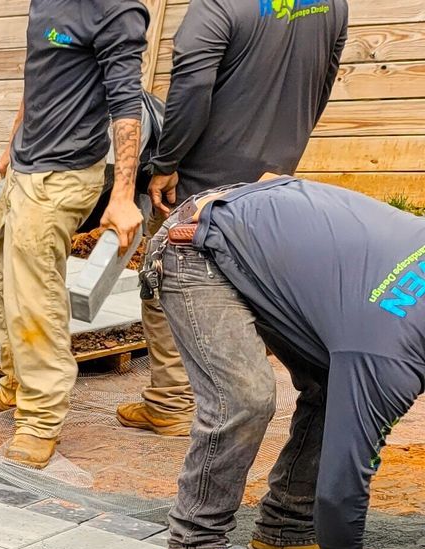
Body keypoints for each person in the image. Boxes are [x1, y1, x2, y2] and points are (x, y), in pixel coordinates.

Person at [143, 175, 417, 549]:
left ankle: (284, 534)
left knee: (333, 385)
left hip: (272, 233)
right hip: (199, 245)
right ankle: (194, 540)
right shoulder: (388, 354)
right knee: (244, 397)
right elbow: (345, 477)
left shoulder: (388, 338)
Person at [117, 0, 349, 438]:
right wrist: (284, 157)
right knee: (252, 281)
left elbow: (191, 89)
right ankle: (237, 391)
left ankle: (172, 401)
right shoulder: (332, 4)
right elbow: (324, 82)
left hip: (203, 177)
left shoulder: (218, 6)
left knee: (169, 279)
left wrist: (167, 161)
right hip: (272, 176)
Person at [0, 0, 148, 468]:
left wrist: (124, 195)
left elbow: (128, 105)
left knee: (33, 293)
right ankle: (14, 381)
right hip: (26, 165)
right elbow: (38, 70)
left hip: (65, 174)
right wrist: (13, 140)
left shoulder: (116, 9)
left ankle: (40, 417)